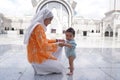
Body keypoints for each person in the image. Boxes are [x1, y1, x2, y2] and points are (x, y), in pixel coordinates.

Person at [24, 8, 65, 75]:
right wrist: (57, 44)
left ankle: (41, 67)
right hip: (38, 58)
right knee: (60, 68)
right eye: (50, 20)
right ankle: (40, 68)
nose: (50, 22)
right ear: (45, 18)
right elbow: (44, 46)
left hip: (35, 57)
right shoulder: (38, 27)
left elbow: (44, 41)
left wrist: (57, 41)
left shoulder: (37, 26)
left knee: (59, 48)